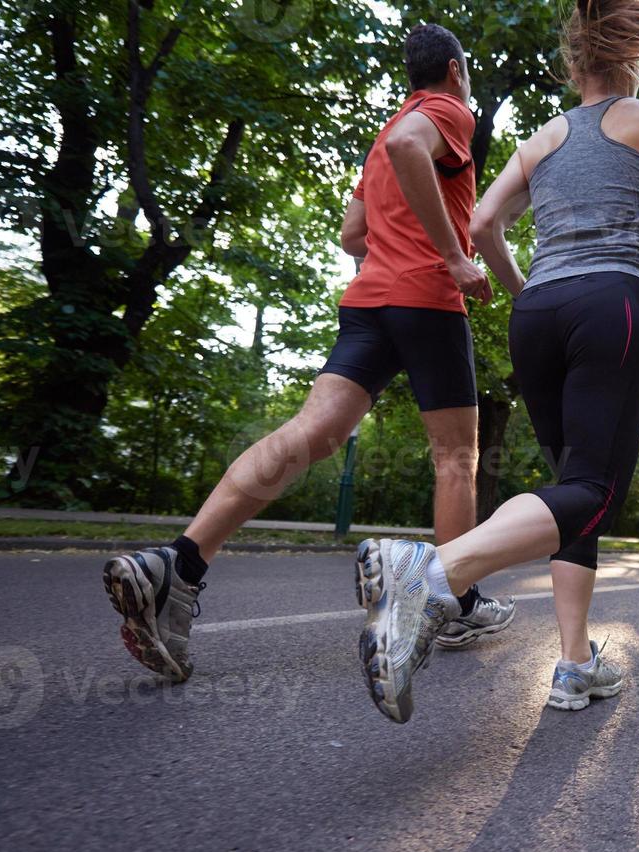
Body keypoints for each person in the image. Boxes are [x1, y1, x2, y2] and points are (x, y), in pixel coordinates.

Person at [354, 0, 639, 724]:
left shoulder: (542, 140)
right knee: (592, 491)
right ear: (632, 56)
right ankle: (432, 571)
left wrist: (524, 291)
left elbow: (481, 224)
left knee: (573, 493)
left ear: (574, 64)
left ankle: (574, 663)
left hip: (537, 316)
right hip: (610, 301)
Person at [102, 24, 515, 683]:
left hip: (369, 303)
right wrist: (449, 256)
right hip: (428, 302)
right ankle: (457, 600)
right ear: (454, 70)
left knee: (308, 434)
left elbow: (353, 230)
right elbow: (415, 150)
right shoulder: (444, 113)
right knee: (456, 459)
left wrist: (393, 256)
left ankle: (178, 566)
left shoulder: (385, 132)